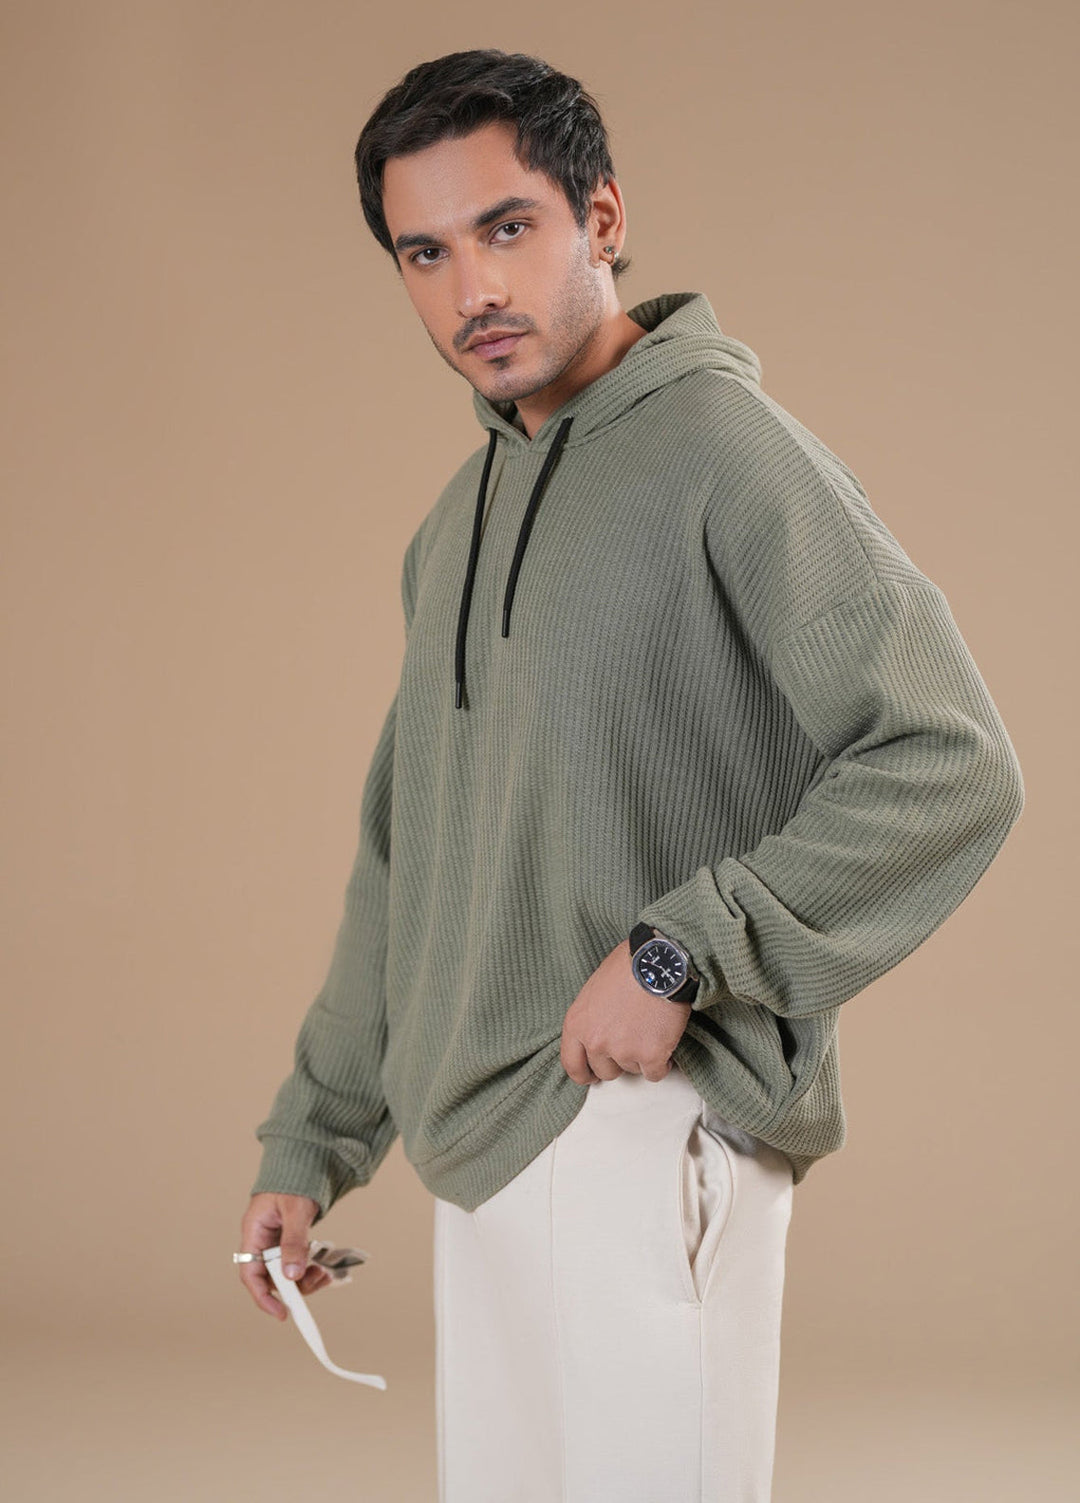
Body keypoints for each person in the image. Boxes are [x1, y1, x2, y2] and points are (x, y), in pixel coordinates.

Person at [236, 48, 1025, 1502]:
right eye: (425, 252)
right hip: (474, 1144)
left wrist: (678, 952)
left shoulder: (729, 451)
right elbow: (407, 853)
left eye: (507, 227)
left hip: (645, 1112)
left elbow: (950, 756)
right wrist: (315, 1138)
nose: (471, 287)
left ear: (601, 217)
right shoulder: (455, 522)